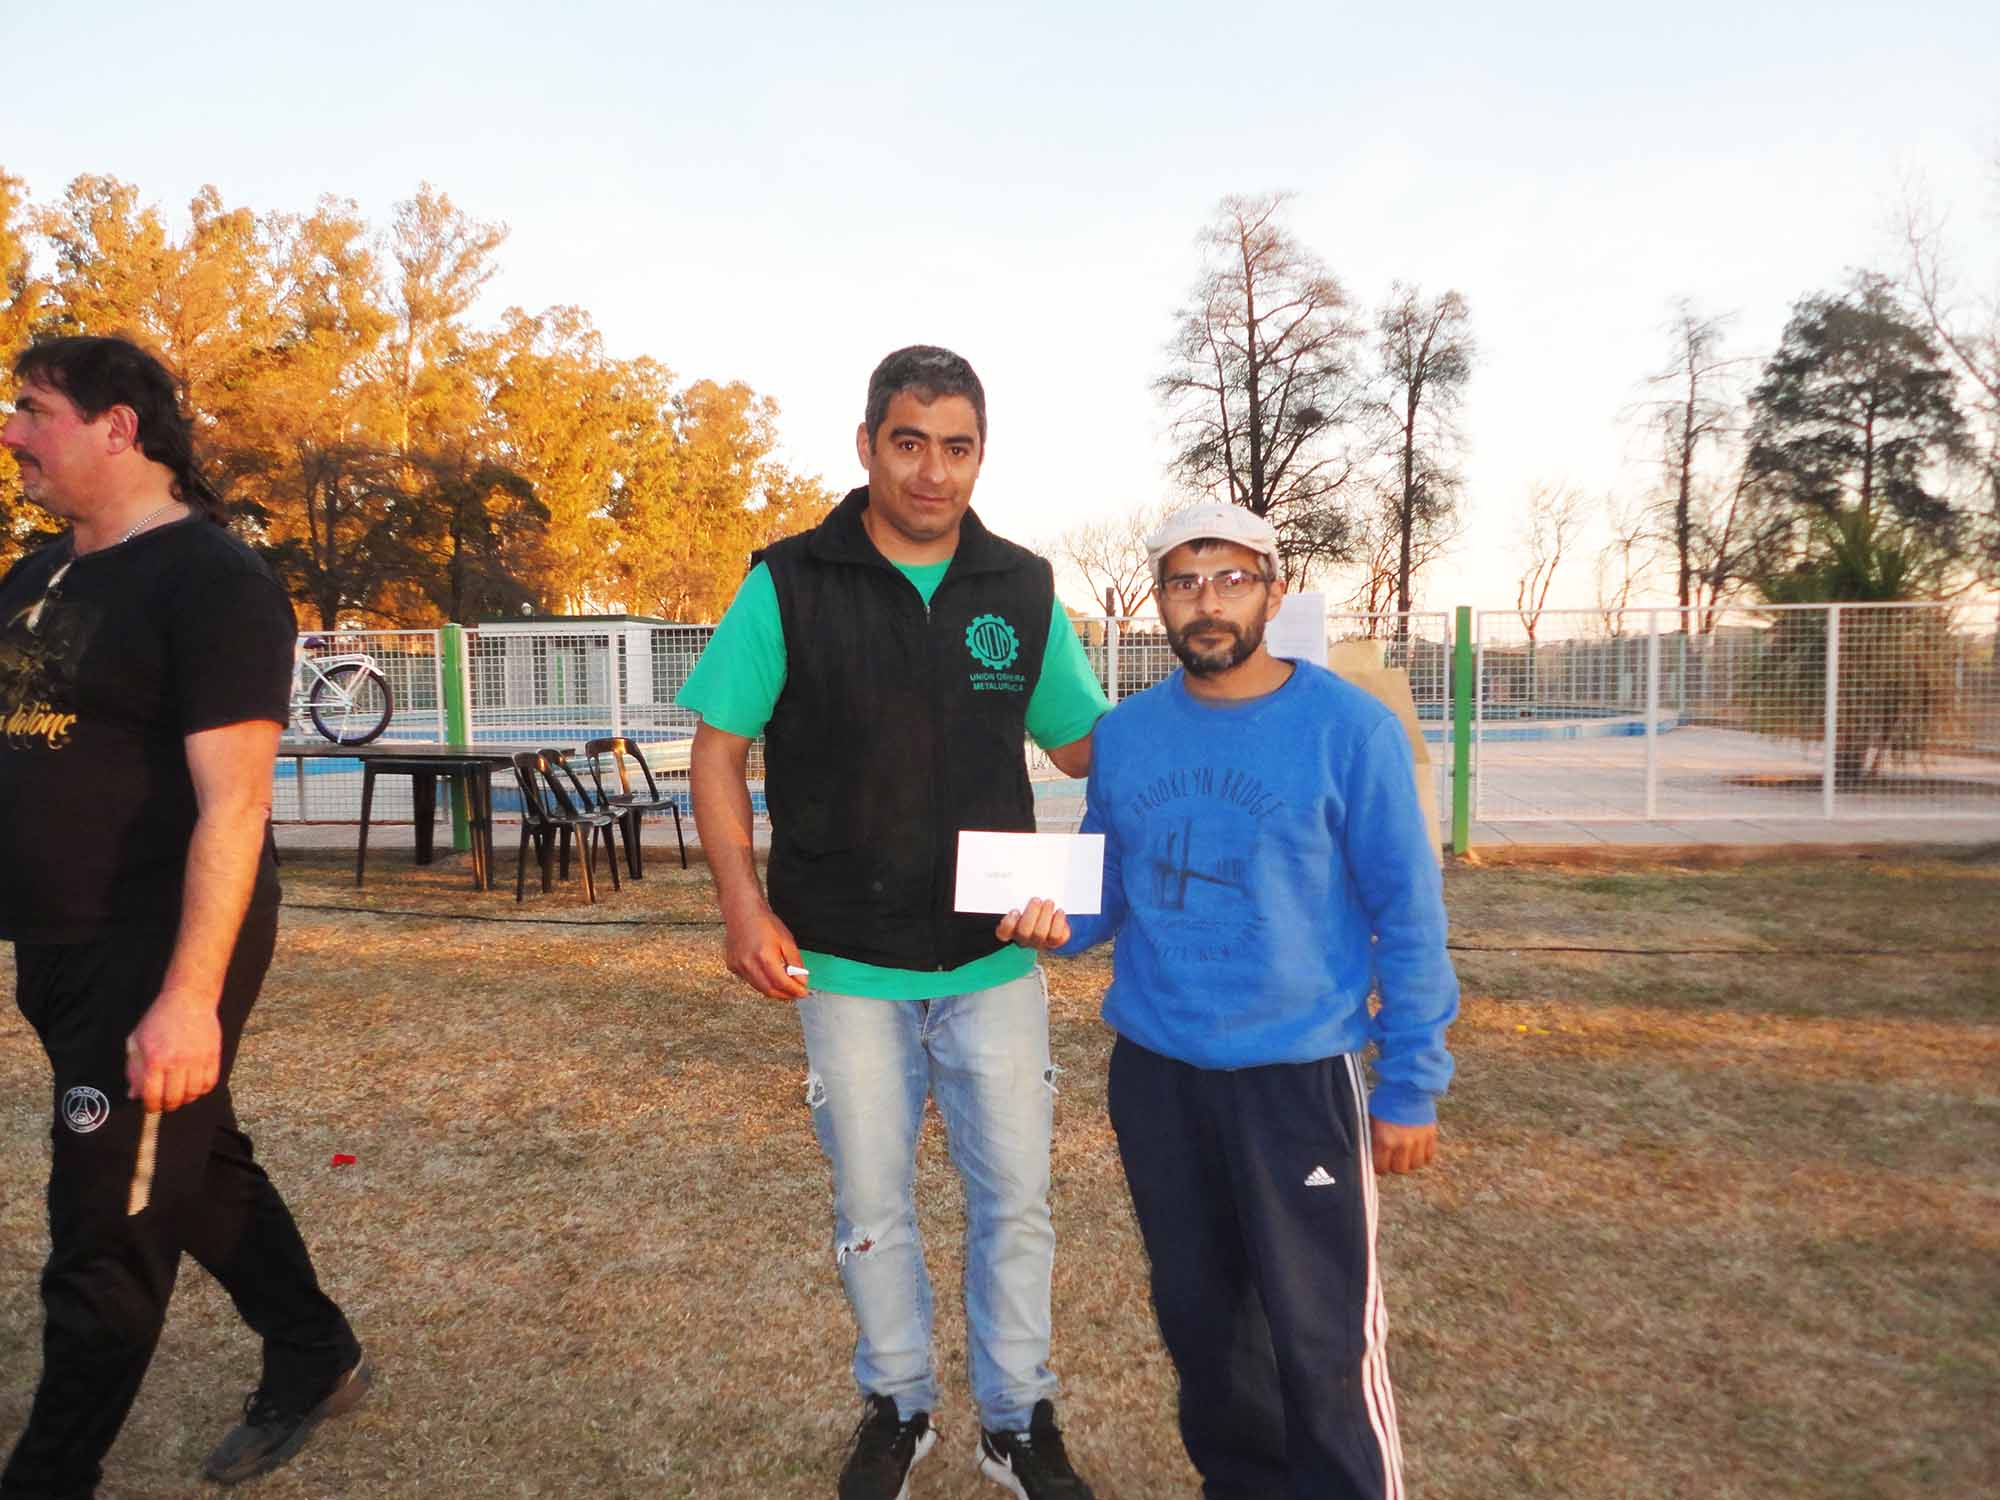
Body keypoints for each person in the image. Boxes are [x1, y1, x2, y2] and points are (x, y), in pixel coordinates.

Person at [677, 345, 1105, 1500]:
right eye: (908, 443)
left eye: (956, 447)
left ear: (980, 456)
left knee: (1015, 1201)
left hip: (990, 961)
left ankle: (1015, 1421)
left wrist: (1237, 707)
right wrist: (741, 904)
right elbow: (717, 751)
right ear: (866, 445)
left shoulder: (1020, 588)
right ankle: (898, 1405)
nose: (931, 471)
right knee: (872, 1204)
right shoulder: (787, 582)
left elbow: (1086, 745)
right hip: (844, 961)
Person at [1000, 502, 1458, 1500]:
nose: (1206, 602)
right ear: (1158, 601)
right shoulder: (1127, 736)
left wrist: (1411, 1082)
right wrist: (1052, 920)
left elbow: (1408, 913)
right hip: (1159, 1078)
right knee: (1203, 1327)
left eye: (1231, 579)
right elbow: (1106, 884)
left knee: (1320, 1335)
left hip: (1298, 1078)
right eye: (1183, 582)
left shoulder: (1349, 731)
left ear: (1272, 593)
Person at [0, 336, 367, 1498]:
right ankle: (313, 1351)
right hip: (56, 943)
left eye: (33, 411)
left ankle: (50, 1474)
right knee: (192, 1162)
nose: (11, 433)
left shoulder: (214, 581)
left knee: (106, 1222)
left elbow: (236, 806)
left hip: (156, 946)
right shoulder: (34, 577)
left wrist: (188, 997)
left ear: (118, 427)